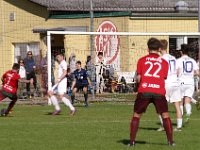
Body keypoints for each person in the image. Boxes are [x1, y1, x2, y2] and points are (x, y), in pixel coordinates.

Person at [129, 38, 174, 146]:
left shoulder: (141, 60)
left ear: (148, 49)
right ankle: (170, 142)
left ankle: (132, 142)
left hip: (144, 90)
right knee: (165, 115)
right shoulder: (164, 62)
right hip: (158, 91)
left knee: (136, 115)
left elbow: (139, 78)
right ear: (159, 49)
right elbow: (164, 77)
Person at [157, 39, 182, 132]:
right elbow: (178, 70)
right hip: (175, 83)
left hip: (166, 84)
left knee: (160, 106)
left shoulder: (160, 59)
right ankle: (179, 127)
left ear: (160, 48)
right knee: (177, 106)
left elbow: (160, 73)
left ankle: (164, 126)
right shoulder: (173, 58)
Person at [177, 44, 199, 122]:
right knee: (187, 99)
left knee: (180, 99)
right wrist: (191, 74)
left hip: (181, 82)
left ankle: (181, 115)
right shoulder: (192, 60)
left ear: (181, 52)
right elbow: (197, 72)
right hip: (190, 82)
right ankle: (188, 115)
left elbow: (177, 71)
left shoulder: (178, 60)